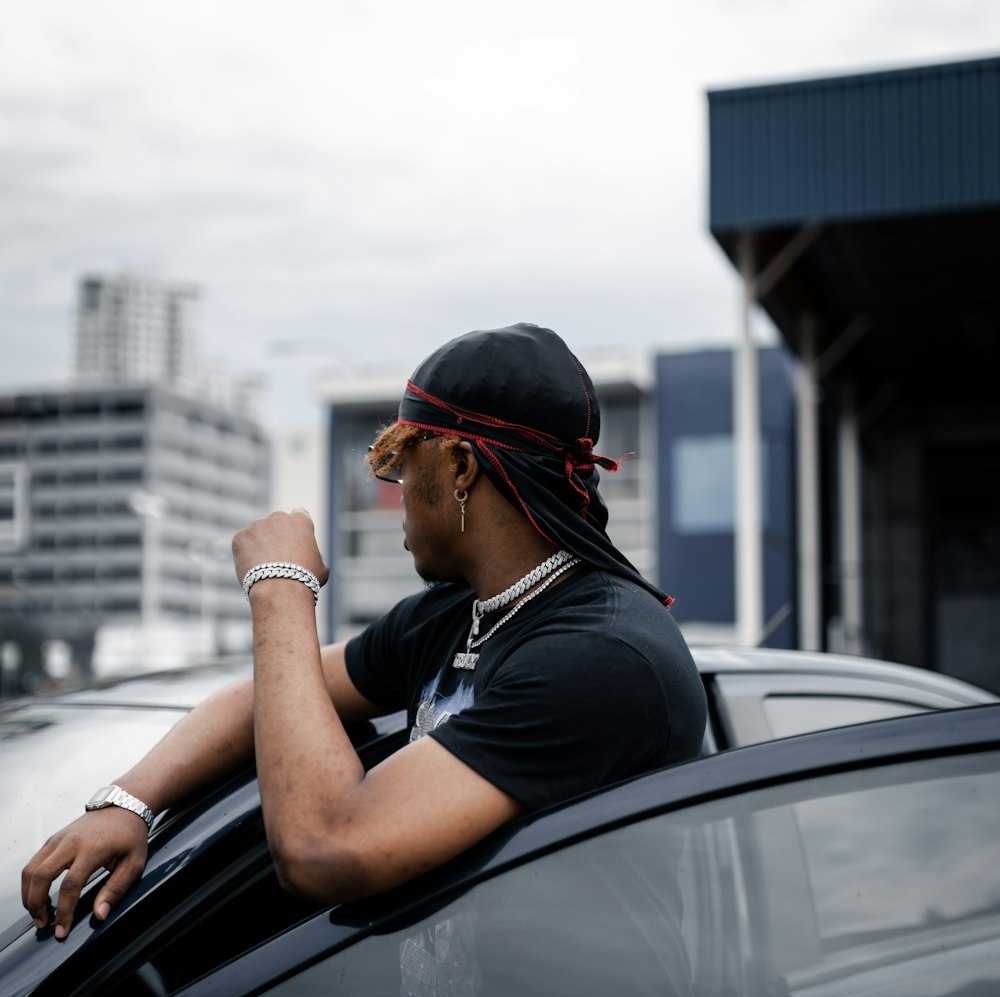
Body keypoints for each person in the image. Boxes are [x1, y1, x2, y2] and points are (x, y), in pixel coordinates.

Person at [21, 323, 707, 939]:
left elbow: (324, 848)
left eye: (399, 463)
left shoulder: (599, 657)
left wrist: (282, 589)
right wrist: (127, 803)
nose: (393, 492)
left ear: (462, 467)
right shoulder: (458, 610)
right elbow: (263, 697)